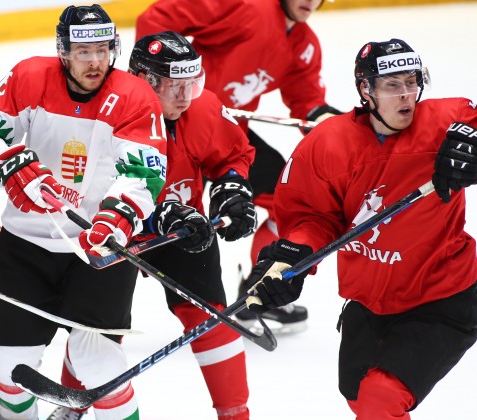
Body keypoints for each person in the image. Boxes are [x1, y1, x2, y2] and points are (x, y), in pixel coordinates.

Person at [0, 4, 167, 420]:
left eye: (103, 50)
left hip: (98, 250)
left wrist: (117, 215)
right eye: (84, 52)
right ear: (63, 51)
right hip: (26, 245)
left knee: (100, 366)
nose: (95, 62)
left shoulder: (135, 96)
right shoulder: (29, 77)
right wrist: (10, 167)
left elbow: (144, 171)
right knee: (10, 367)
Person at [243, 38, 477, 419]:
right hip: (369, 299)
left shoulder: (448, 121)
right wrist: (294, 257)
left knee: (380, 398)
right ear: (366, 90)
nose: (406, 95)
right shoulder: (328, 144)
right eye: (393, 85)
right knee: (358, 393)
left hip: (442, 297)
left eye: (412, 82)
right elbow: (312, 218)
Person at [53, 31, 258, 420]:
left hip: (184, 226)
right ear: (144, 81)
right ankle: (69, 407)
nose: (185, 97)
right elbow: (83, 190)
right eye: (173, 86)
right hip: (114, 232)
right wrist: (155, 214)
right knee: (97, 331)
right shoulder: (101, 114)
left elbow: (232, 155)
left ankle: (236, 415)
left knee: (211, 318)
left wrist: (231, 188)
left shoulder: (204, 108)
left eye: (190, 84)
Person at [136, 0, 343, 332]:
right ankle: (94, 302)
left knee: (288, 199)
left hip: (228, 138)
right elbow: (156, 19)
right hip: (172, 130)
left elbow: (306, 100)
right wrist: (165, 87)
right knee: (145, 211)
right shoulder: (244, 6)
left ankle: (258, 290)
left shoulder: (304, 44)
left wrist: (323, 118)